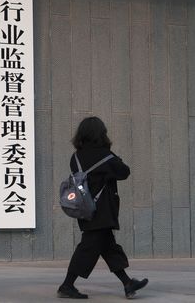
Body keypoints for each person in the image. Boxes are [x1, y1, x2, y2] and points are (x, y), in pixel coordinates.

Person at [57, 116, 149, 299]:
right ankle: (66, 285)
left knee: (108, 246)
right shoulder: (105, 156)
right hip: (102, 210)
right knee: (88, 248)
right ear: (101, 133)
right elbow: (124, 172)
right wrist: (114, 157)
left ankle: (128, 283)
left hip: (84, 208)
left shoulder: (76, 157)